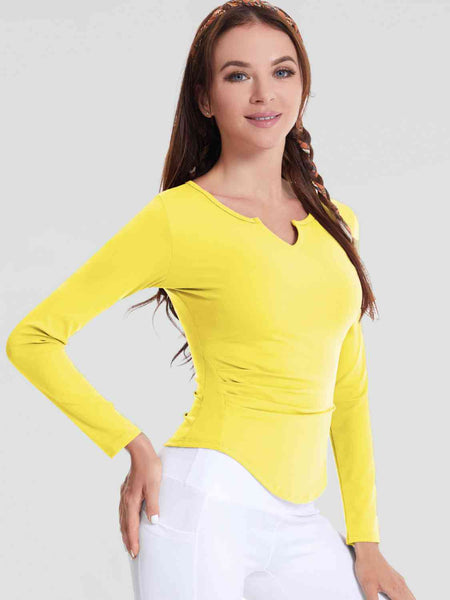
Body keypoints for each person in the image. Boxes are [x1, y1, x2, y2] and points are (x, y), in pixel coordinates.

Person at [5, 1, 415, 599]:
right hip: (205, 504)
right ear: (204, 98)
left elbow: (348, 389)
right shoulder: (178, 218)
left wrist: (366, 540)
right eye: (237, 74)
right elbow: (33, 339)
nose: (263, 93)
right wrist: (133, 444)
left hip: (302, 519)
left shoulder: (337, 224)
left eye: (282, 71)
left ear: (303, 85)